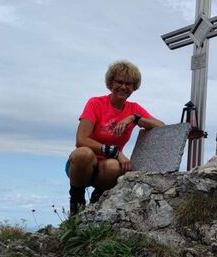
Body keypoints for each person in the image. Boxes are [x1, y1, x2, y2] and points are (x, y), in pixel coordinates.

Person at [66, 60, 165, 214]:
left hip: (107, 168)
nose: (124, 87)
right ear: (111, 83)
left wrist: (135, 118)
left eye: (129, 84)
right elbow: (81, 140)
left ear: (134, 87)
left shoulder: (133, 108)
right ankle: (76, 202)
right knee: (83, 153)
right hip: (83, 166)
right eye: (119, 82)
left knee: (114, 166)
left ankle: (97, 201)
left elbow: (161, 126)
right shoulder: (95, 103)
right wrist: (116, 152)